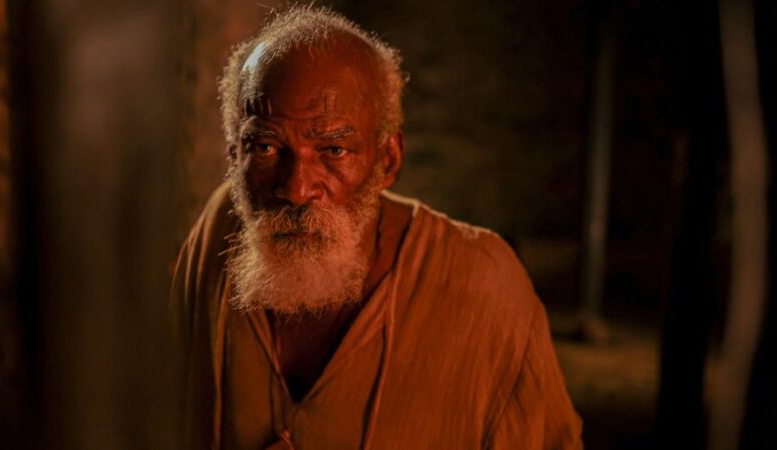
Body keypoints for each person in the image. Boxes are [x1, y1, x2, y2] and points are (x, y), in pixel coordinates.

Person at [171, 5, 582, 450]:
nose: (296, 188)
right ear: (235, 156)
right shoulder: (220, 234)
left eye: (333, 150)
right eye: (266, 146)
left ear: (387, 161)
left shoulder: (483, 286)